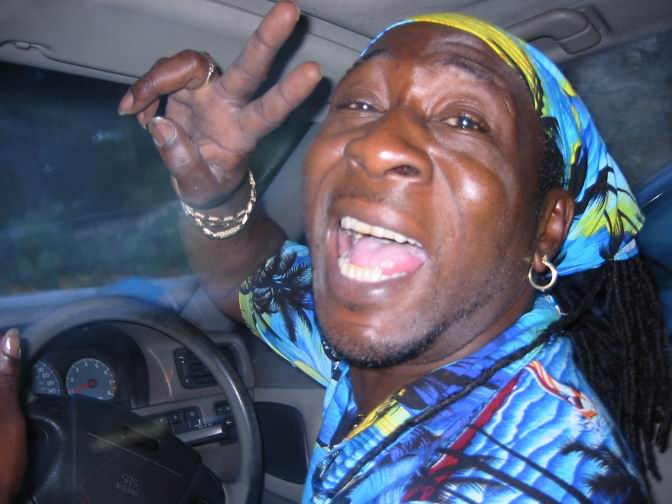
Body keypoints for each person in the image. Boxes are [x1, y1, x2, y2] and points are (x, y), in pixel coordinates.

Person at [2, 2, 671, 502]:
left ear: (548, 227)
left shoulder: (528, 477)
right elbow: (254, 275)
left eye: (465, 119)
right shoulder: (420, 335)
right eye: (359, 104)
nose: (376, 145)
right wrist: (218, 193)